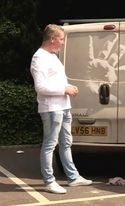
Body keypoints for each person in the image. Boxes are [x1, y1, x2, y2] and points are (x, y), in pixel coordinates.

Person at [30, 24, 92, 194]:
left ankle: (73, 177)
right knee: (50, 145)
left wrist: (67, 86)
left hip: (63, 107)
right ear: (52, 39)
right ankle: (49, 181)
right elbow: (40, 87)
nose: (63, 43)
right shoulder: (39, 58)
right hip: (51, 109)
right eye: (61, 39)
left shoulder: (52, 56)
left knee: (66, 143)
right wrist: (64, 89)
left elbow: (55, 81)